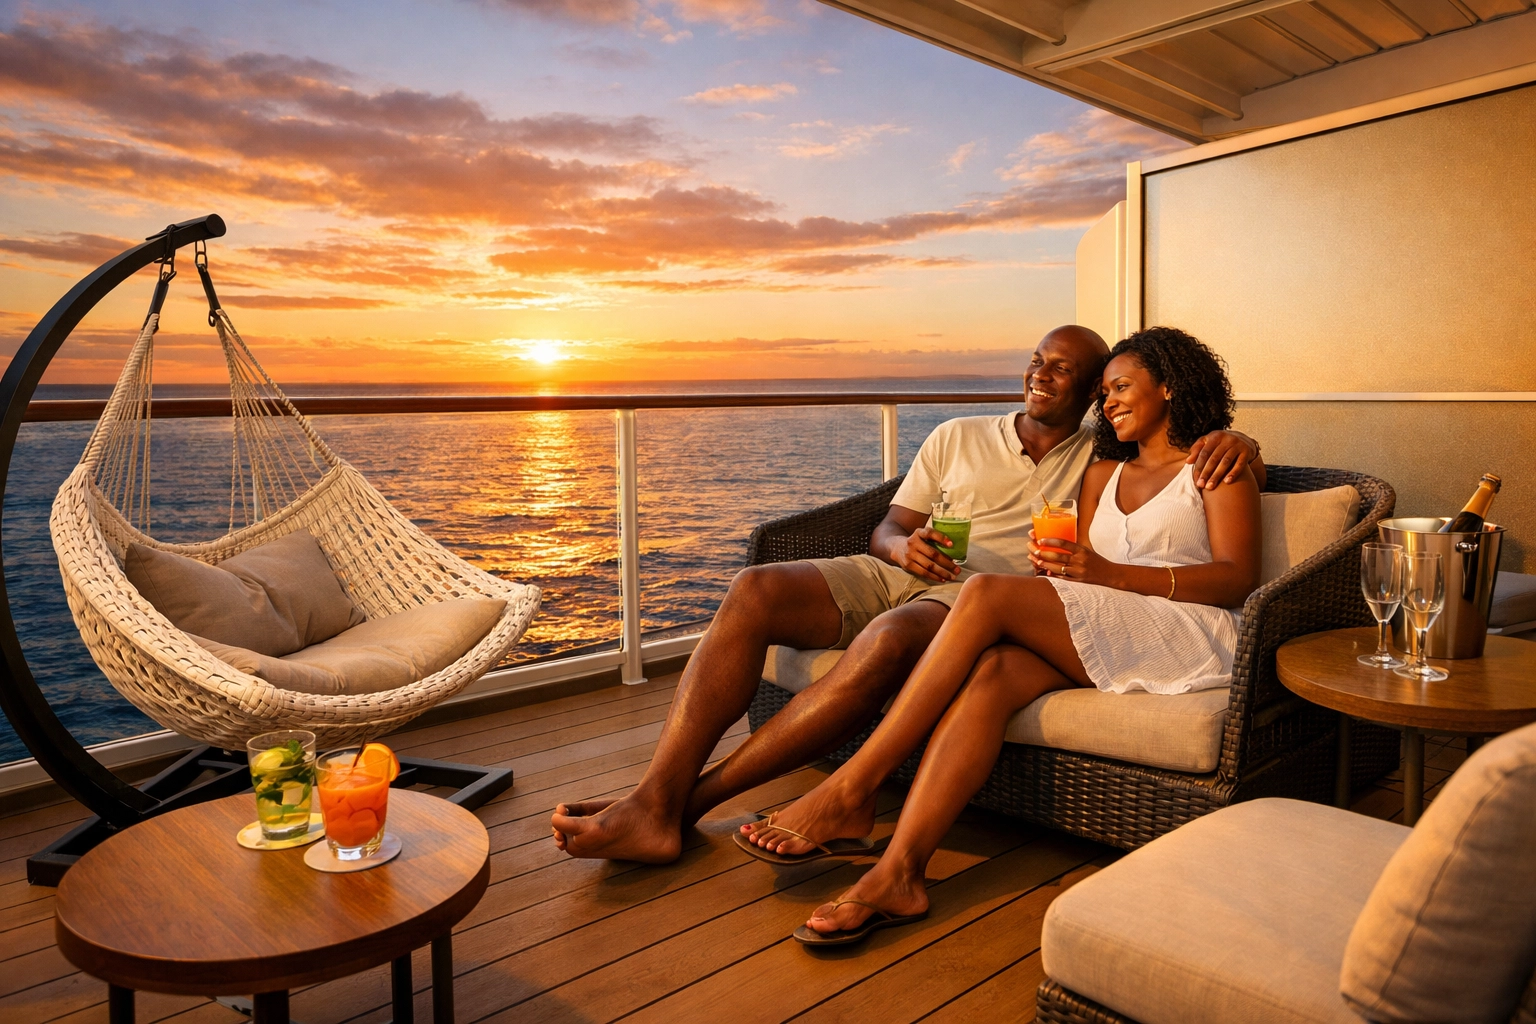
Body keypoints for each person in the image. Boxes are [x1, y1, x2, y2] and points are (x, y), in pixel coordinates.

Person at [551, 325, 1263, 864]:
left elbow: (1191, 477)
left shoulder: (1097, 457)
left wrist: (1241, 441)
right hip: (903, 573)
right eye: (1038, 362)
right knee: (755, 586)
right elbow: (889, 524)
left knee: (891, 638)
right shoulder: (957, 435)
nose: (1043, 376)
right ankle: (655, 795)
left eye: (1069, 373)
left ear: (1089, 399)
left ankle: (682, 807)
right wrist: (902, 546)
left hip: (975, 600)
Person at [739, 326, 1262, 944]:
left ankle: (854, 785)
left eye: (1122, 386)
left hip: (1189, 629)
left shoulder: (1216, 467)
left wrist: (1111, 571)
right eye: (1105, 391)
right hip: (1113, 622)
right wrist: (1063, 574)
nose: (1109, 401)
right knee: (993, 675)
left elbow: (1236, 579)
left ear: (1169, 387)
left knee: (985, 592)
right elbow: (1084, 569)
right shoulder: (1099, 476)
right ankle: (899, 873)